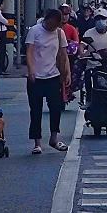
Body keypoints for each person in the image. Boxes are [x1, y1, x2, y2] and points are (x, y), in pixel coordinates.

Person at [26, 8, 71, 154]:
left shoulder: (59, 33)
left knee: (56, 108)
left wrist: (66, 73)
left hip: (53, 75)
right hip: (36, 76)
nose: (54, 27)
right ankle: (37, 143)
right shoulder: (35, 30)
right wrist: (31, 70)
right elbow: (30, 51)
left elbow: (64, 54)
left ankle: (54, 138)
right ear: (47, 20)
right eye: (52, 24)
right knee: (36, 110)